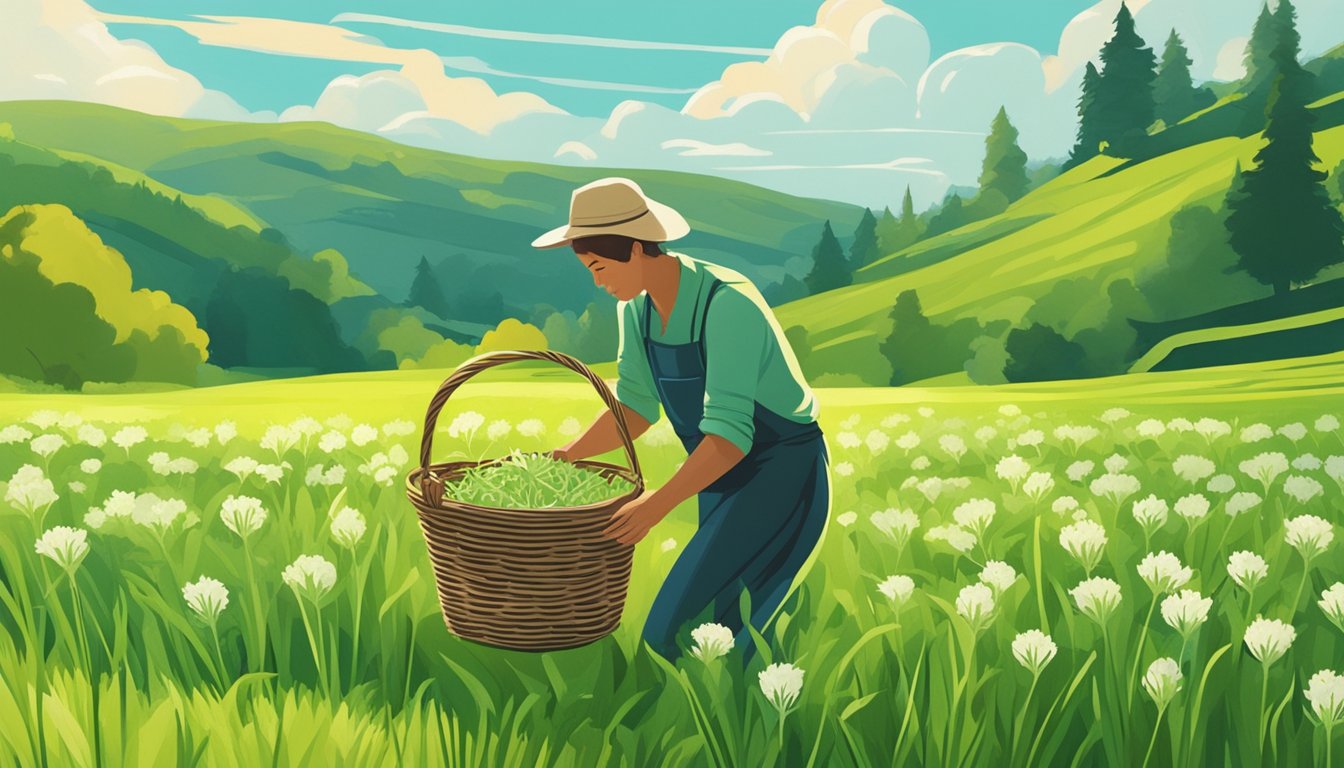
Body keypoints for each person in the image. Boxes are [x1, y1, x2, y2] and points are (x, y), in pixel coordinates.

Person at [532, 176, 830, 666]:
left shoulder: (727, 302)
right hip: (715, 476)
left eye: (601, 266)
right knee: (721, 626)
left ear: (635, 248)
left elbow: (731, 436)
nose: (598, 281)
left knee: (674, 631)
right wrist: (569, 455)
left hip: (780, 470)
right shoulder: (637, 312)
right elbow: (634, 408)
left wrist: (654, 508)